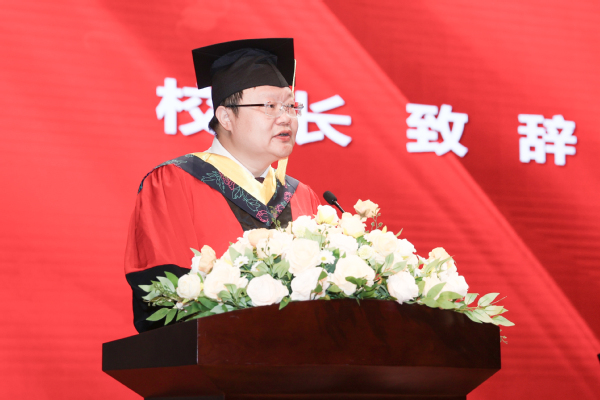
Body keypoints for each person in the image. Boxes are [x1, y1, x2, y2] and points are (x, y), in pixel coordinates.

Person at [124, 38, 321, 333]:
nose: (286, 118)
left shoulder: (303, 197)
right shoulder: (174, 182)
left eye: (291, 106)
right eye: (270, 106)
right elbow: (161, 295)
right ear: (226, 117)